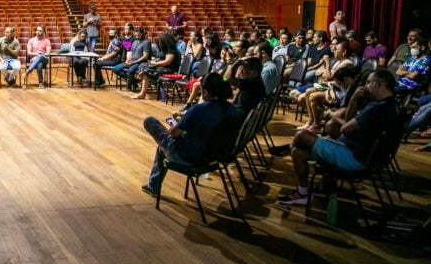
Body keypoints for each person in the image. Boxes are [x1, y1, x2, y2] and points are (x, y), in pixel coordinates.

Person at [271, 70, 400, 205]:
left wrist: (353, 99)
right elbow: (349, 122)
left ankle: (292, 146)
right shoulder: (388, 104)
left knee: (301, 135)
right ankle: (302, 193)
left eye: (368, 83)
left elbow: (345, 129)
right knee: (298, 153)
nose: (364, 87)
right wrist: (354, 100)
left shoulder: (377, 108)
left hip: (353, 158)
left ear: (378, 84)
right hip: (360, 155)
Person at [140, 73, 239, 196]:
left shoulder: (198, 109)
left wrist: (174, 127)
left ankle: (153, 186)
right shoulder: (231, 109)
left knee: (150, 121)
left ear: (205, 92)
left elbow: (175, 133)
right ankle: (153, 185)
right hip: (212, 156)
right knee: (162, 146)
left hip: (188, 156)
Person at [131, 33, 178, 100]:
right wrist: (154, 61)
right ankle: (143, 77)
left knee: (146, 72)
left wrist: (156, 63)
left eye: (161, 40)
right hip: (160, 66)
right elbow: (158, 57)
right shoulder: (163, 49)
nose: (159, 42)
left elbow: (167, 62)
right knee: (143, 65)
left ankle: (142, 91)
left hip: (167, 69)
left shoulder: (171, 50)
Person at [113, 27, 150, 92]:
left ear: (143, 34)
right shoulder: (135, 42)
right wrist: (127, 61)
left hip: (140, 62)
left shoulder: (146, 42)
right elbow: (131, 53)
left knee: (130, 71)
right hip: (131, 61)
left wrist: (132, 63)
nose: (137, 37)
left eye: (139, 35)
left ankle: (128, 87)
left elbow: (145, 56)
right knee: (115, 69)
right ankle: (134, 81)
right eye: (136, 35)